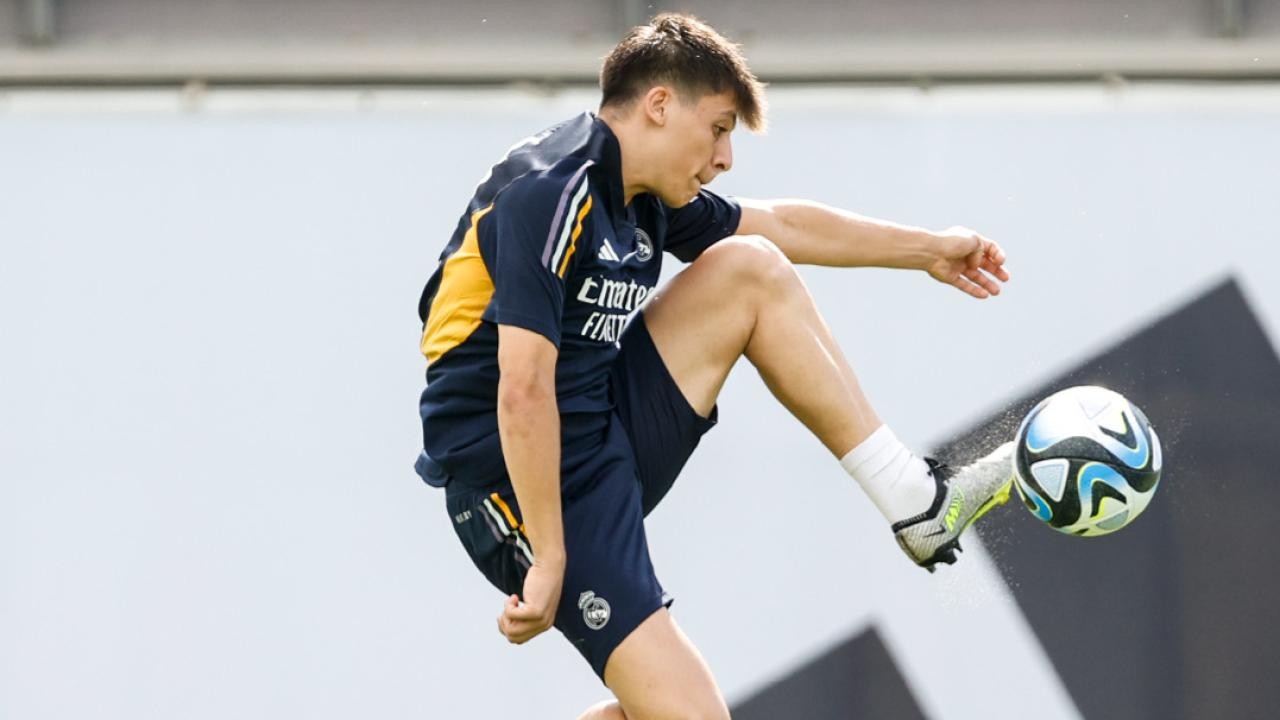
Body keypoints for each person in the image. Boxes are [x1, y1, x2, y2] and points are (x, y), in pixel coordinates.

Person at [414, 12, 1014, 719]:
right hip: (517, 481)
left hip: (600, 428)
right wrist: (548, 556)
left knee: (751, 268)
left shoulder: (643, 195)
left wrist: (930, 248)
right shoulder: (550, 190)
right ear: (659, 104)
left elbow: (785, 225)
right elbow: (521, 390)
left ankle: (914, 498)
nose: (725, 157)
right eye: (719, 128)